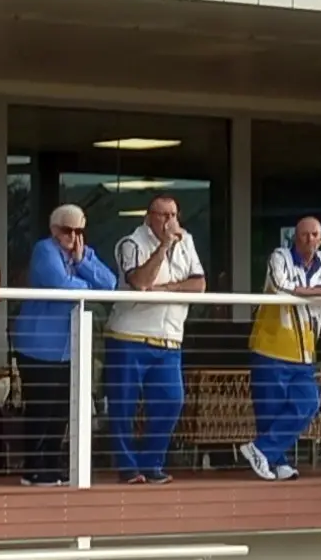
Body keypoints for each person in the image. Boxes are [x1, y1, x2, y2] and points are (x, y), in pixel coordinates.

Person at [242, 217, 321, 481]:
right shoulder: (280, 256)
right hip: (270, 346)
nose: (309, 240)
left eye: (314, 235)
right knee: (270, 410)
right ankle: (277, 461)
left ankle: (262, 450)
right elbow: (281, 287)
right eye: (304, 235)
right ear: (295, 237)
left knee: (309, 402)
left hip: (304, 351)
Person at [11, 204, 118, 487]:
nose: (73, 236)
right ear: (54, 230)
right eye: (67, 231)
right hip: (39, 345)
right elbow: (60, 284)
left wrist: (82, 262)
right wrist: (87, 285)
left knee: (61, 409)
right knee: (41, 407)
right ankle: (33, 468)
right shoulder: (44, 250)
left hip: (68, 347)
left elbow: (109, 284)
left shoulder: (81, 253)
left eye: (79, 231)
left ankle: (52, 464)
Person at [105, 194, 206, 485]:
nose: (169, 221)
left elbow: (199, 284)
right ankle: (128, 467)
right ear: (149, 217)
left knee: (171, 401)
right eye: (162, 215)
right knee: (123, 405)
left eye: (173, 215)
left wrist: (168, 289)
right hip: (129, 336)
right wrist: (163, 246)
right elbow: (140, 282)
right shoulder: (130, 243)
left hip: (169, 338)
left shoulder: (186, 242)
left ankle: (151, 462)